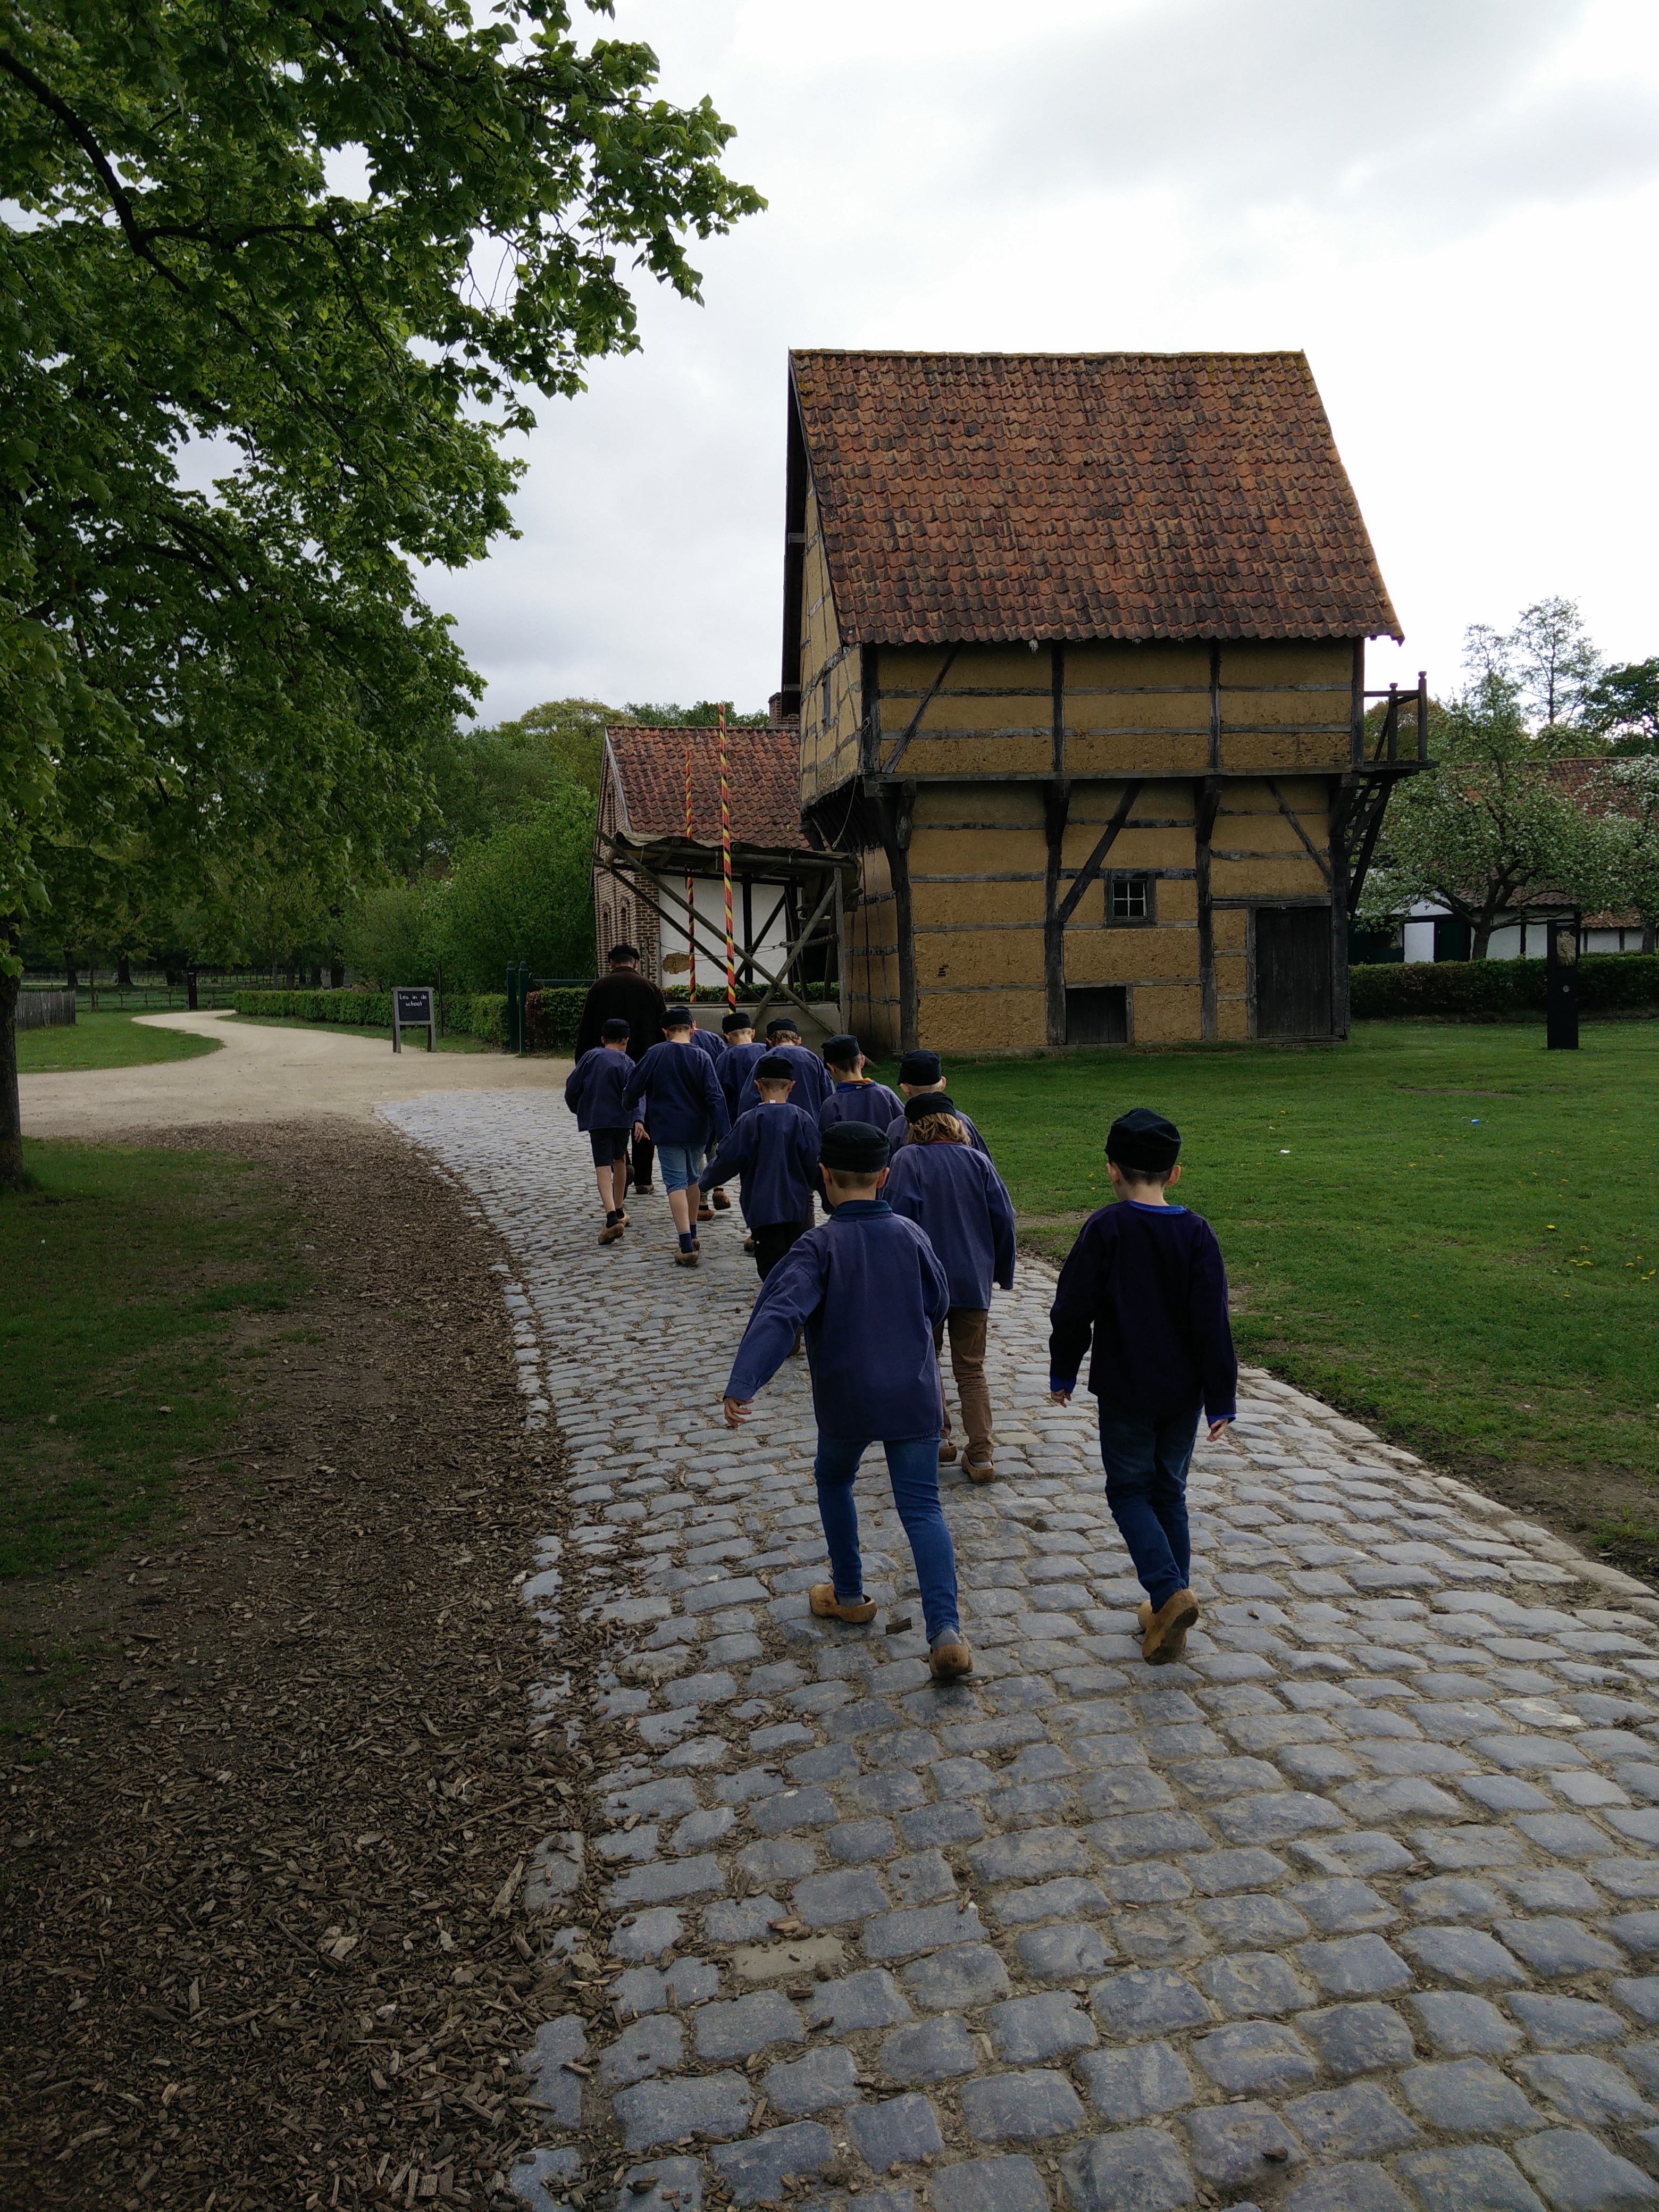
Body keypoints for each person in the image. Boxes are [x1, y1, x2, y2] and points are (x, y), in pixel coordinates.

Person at [722, 1121, 973, 1685]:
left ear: (824, 1178)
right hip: (912, 1393)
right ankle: (947, 1631)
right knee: (923, 1507)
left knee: (834, 1478)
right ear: (885, 1177)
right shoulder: (912, 1235)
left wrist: (744, 1382)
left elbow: (780, 1313)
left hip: (848, 1396)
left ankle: (851, 1590)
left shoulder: (818, 1245)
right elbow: (937, 1302)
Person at [1047, 1108, 1236, 1666]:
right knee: (1169, 1491)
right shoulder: (1197, 1233)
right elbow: (1213, 1322)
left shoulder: (1106, 1228)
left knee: (1129, 1491)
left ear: (1112, 1170)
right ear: (1174, 1172)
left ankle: (1168, 1589)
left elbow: (1072, 1307)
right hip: (1183, 1391)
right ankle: (1166, 1619)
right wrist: (1221, 1396)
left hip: (1127, 1386)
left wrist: (1064, 1369)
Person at [885, 1093, 1017, 1482]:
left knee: (929, 1358)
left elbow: (895, 1221)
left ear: (914, 1127)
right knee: (972, 1369)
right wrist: (1001, 1270)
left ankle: (941, 1435)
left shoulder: (906, 1161)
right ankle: (982, 1454)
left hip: (925, 1280)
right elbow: (1004, 1217)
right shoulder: (978, 1161)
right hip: (972, 1280)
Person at [623, 1004, 731, 1267]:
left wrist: (628, 1104)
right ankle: (693, 1232)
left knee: (675, 1183)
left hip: (668, 1128)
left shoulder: (656, 1053)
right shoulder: (703, 1057)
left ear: (665, 1031)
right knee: (694, 1179)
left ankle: (685, 1243)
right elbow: (715, 1097)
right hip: (698, 1130)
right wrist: (726, 1133)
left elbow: (634, 1085)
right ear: (692, 1028)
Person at [697, 1053, 821, 1280]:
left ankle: (775, 1300)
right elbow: (815, 1162)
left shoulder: (749, 1120)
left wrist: (705, 1182)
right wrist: (827, 1195)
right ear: (791, 1087)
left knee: (770, 1264)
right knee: (799, 1259)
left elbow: (728, 1158)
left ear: (757, 1085)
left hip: (762, 1208)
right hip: (798, 1205)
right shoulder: (802, 1120)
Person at [575, 946, 668, 1193]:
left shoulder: (599, 988)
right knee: (643, 1117)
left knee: (613, 1116)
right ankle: (645, 1179)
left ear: (611, 963)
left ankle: (621, 1161)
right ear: (636, 963)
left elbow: (586, 1028)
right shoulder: (650, 988)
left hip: (606, 1064)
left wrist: (583, 1064)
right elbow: (664, 1026)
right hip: (644, 1062)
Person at [563, 1017, 635, 1244]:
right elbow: (636, 1093)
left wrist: (579, 1109)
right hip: (623, 1121)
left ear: (603, 1039)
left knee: (602, 1168)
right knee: (621, 1160)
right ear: (626, 1040)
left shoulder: (591, 1057)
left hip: (599, 1120)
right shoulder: (629, 1063)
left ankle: (611, 1216)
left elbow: (572, 1087)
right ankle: (621, 1208)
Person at [883, 1049, 991, 1158]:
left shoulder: (899, 1128)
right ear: (943, 1084)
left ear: (905, 1089)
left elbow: (887, 1169)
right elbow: (984, 1162)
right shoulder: (962, 1122)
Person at [732, 1015, 834, 1119]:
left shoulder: (765, 1060)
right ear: (799, 1040)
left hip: (772, 1126)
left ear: (769, 1042)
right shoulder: (814, 1059)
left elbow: (749, 1100)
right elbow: (828, 1094)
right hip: (811, 1126)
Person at [818, 1035, 905, 1134]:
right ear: (862, 1061)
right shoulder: (886, 1094)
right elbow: (904, 1127)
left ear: (832, 1068)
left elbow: (825, 1142)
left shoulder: (831, 1105)